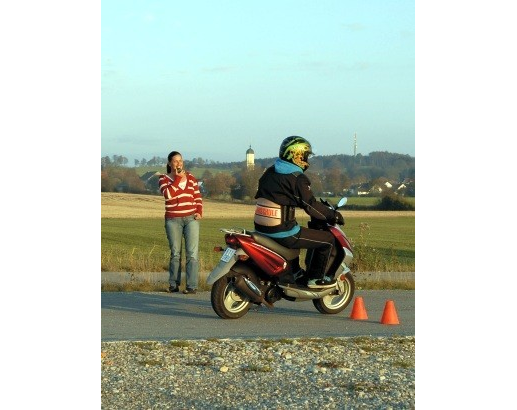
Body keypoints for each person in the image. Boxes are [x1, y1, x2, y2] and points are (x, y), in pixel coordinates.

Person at [253, 136, 345, 288]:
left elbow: (277, 194)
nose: (307, 159)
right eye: (306, 156)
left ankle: (294, 272)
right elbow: (311, 206)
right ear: (296, 156)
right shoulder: (297, 178)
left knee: (298, 232)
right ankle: (316, 279)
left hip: (261, 229)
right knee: (327, 240)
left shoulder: (270, 172)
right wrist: (333, 215)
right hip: (282, 232)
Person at [158, 151, 203, 294]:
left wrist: (199, 211)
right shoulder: (163, 179)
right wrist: (177, 179)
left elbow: (197, 195)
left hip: (191, 219)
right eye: (176, 161)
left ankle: (191, 286)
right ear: (170, 163)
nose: (179, 163)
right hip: (173, 219)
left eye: (181, 160)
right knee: (176, 253)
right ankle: (173, 284)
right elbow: (168, 195)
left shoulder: (190, 178)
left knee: (192, 253)